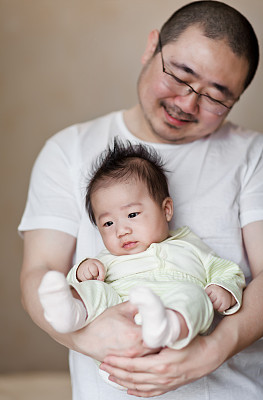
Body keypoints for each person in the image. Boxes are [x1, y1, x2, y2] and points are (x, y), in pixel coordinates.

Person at [19, 1, 263, 399]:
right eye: (181, 76)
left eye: (217, 98)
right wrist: (87, 337)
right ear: (152, 47)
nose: (187, 104)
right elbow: (40, 271)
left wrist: (211, 350)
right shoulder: (68, 150)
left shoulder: (253, 155)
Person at [38, 141, 245, 375]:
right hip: (118, 330)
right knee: (96, 291)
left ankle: (166, 325)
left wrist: (223, 287)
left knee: (195, 296)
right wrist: (80, 272)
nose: (121, 230)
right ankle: (67, 313)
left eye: (132, 214)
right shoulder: (104, 260)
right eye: (108, 223)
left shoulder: (189, 246)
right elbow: (87, 287)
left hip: (177, 335)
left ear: (166, 209)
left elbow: (227, 271)